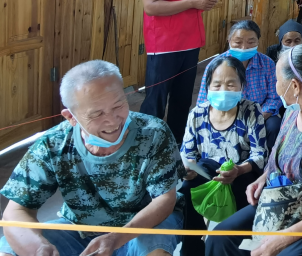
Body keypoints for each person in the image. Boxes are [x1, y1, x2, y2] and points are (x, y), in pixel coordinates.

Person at [0, 61, 184, 256]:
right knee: (10, 249)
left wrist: (116, 238)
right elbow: (16, 211)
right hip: (79, 228)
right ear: (71, 117)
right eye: (97, 114)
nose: (112, 120)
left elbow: (164, 200)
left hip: (142, 226)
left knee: (155, 251)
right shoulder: (53, 143)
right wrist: (38, 248)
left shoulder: (153, 133)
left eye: (119, 105)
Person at [206, 45, 302, 256]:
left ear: (295, 86)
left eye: (277, 80)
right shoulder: (291, 113)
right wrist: (263, 178)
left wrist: (286, 236)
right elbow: (278, 158)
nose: (276, 87)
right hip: (283, 204)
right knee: (220, 238)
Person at [138, 0, 218, 142]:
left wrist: (204, 1)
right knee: (156, 101)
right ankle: (146, 146)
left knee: (182, 100)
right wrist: (193, 2)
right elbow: (151, 7)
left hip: (190, 43)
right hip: (165, 47)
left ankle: (177, 144)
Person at [181, 57, 265, 256]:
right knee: (188, 187)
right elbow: (187, 154)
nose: (223, 90)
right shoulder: (197, 114)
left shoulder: (251, 111)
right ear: (208, 87)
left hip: (241, 174)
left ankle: (236, 246)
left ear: (242, 85)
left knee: (248, 189)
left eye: (231, 84)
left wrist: (238, 170)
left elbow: (260, 155)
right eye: (217, 85)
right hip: (207, 175)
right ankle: (192, 248)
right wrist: (188, 169)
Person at [197, 20, 282, 150]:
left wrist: (257, 117)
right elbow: (204, 100)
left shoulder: (267, 64)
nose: (244, 47)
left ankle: (267, 158)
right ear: (229, 41)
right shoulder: (215, 66)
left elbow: (274, 97)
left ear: (258, 42)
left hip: (259, 114)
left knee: (274, 125)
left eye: (251, 42)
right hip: (225, 115)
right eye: (238, 42)